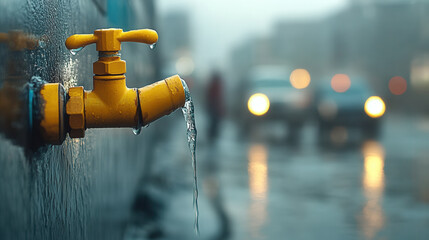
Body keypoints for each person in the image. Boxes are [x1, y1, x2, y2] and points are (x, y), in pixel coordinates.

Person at [206, 71, 225, 143]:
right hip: (214, 106)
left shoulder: (216, 85)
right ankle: (212, 137)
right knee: (214, 122)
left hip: (214, 106)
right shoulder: (214, 85)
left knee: (214, 122)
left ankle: (212, 136)